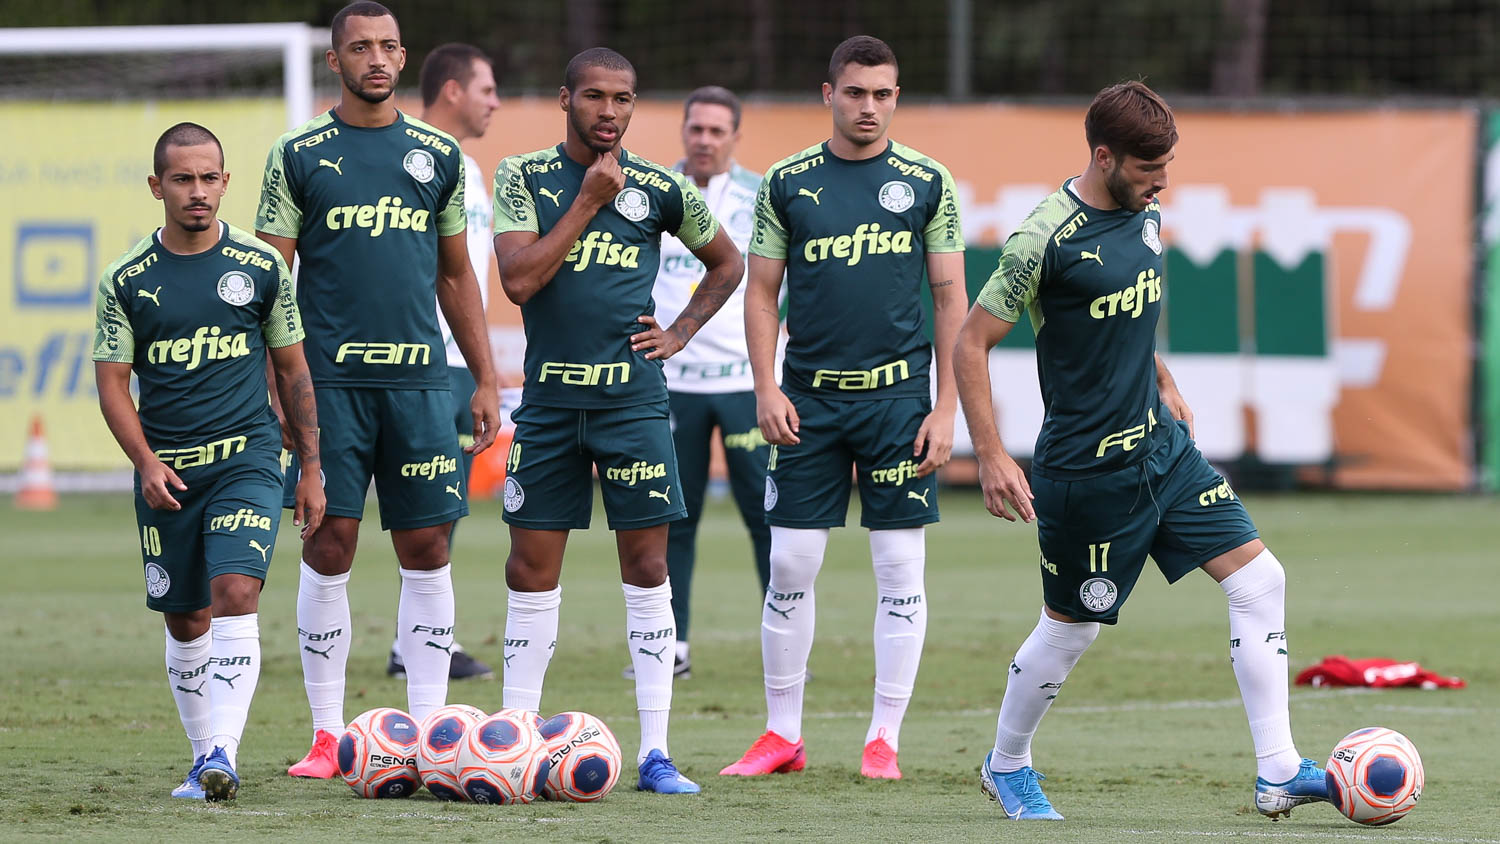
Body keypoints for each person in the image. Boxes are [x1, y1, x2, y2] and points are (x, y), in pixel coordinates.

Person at [952, 80, 1329, 820]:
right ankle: (1006, 763)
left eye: (1167, 167)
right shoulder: (1042, 240)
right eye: (1148, 169)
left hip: (1163, 452)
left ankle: (1279, 770)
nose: (1162, 183)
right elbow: (970, 343)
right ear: (1104, 157)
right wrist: (991, 456)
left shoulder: (1146, 212)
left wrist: (1161, 375)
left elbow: (1127, 314)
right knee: (1073, 627)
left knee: (1260, 581)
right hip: (1085, 474)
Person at [254, 1, 500, 779]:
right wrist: (276, 386)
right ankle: (327, 736)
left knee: (427, 547)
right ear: (335, 61)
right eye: (360, 47)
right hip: (329, 384)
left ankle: (428, 735)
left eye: (389, 46)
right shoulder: (298, 154)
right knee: (330, 543)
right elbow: (269, 281)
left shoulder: (438, 153)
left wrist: (485, 375)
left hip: (421, 383)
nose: (377, 59)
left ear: (402, 56)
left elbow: (456, 276)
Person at [491, 47, 744, 794]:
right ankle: (515, 742)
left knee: (649, 567)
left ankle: (656, 753)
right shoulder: (522, 176)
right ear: (565, 99)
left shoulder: (661, 187)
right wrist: (588, 202)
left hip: (633, 404)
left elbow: (727, 263)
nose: (609, 111)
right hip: (549, 405)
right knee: (529, 570)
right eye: (595, 96)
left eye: (623, 98)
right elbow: (518, 280)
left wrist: (680, 332)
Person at [720, 35, 966, 781]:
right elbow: (762, 294)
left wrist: (946, 407)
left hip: (899, 402)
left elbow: (950, 298)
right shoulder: (788, 181)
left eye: (882, 94)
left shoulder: (927, 180)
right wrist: (765, 386)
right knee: (791, 562)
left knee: (900, 567)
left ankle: (883, 738)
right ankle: (782, 734)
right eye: (855, 92)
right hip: (809, 400)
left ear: (897, 98)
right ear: (828, 94)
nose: (869, 107)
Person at [94, 122, 324, 801]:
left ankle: (224, 749)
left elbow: (294, 370)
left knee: (236, 593)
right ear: (156, 186)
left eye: (208, 178)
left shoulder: (262, 267)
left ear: (226, 182)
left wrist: (311, 468)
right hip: (168, 473)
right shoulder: (126, 279)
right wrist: (144, 462)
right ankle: (203, 758)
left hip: (246, 459)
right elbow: (113, 384)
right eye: (182, 179)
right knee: (186, 617)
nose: (197, 191)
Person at [624, 85, 770, 682]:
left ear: (735, 136)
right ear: (683, 130)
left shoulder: (763, 196)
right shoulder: (652, 192)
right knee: (672, 518)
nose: (704, 140)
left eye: (716, 130)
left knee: (766, 516)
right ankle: (672, 644)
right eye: (696, 129)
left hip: (744, 381)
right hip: (670, 380)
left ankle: (782, 643)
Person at [384, 41, 503, 683]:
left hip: (459, 361)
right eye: (487, 89)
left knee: (443, 505)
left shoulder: (471, 169)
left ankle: (419, 640)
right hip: (414, 360)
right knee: (414, 510)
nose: (496, 103)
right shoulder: (406, 155)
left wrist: (484, 366)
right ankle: (414, 644)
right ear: (452, 90)